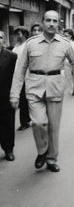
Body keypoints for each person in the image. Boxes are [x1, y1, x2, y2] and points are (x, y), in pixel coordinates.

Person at [10, 10, 74, 172]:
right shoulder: (31, 43)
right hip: (34, 88)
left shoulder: (64, 44)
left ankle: (51, 159)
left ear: (58, 23)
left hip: (55, 88)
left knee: (54, 127)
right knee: (39, 122)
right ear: (42, 22)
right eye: (48, 20)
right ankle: (42, 151)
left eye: (55, 21)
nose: (51, 24)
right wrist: (14, 94)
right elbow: (20, 70)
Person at [0, 31, 17, 161]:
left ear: (3, 40)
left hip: (6, 96)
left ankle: (9, 149)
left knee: (8, 123)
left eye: (0, 37)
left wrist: (15, 95)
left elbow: (16, 77)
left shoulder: (12, 56)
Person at [12, 26, 31, 131]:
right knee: (23, 99)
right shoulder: (17, 45)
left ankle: (24, 122)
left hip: (24, 75)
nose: (17, 36)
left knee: (24, 99)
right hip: (16, 75)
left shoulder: (27, 45)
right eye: (16, 34)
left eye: (18, 34)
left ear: (24, 34)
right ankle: (27, 119)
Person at [63, 29, 74, 93]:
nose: (64, 37)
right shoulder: (63, 44)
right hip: (66, 63)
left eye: (66, 36)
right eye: (64, 36)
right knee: (68, 77)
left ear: (70, 36)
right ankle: (70, 90)